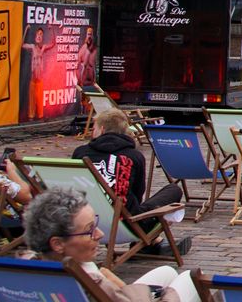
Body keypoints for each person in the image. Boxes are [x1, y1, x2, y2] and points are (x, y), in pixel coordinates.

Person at [24, 188, 198, 302]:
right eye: (89, 230)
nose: (99, 235)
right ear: (58, 244)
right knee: (190, 279)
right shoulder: (90, 280)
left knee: (167, 271)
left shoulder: (26, 268)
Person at [72, 109, 188, 249]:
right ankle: (152, 242)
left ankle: (154, 242)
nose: (92, 132)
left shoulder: (80, 152)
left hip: (83, 222)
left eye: (94, 128)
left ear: (102, 130)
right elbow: (138, 193)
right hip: (127, 225)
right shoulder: (133, 156)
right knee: (173, 190)